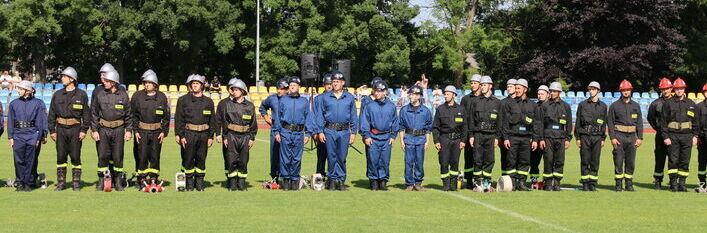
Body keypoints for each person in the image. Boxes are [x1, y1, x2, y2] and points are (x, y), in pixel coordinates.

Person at [313, 71, 358, 190]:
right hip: (329, 130)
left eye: (337, 82)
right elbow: (320, 115)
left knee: (342, 157)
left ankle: (341, 180)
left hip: (344, 131)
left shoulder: (349, 97)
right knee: (331, 156)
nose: (335, 84)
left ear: (343, 83)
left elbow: (353, 115)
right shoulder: (325, 97)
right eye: (333, 82)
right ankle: (332, 180)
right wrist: (320, 131)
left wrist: (353, 132)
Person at [48, 67, 90, 191]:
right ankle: (61, 183)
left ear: (72, 79)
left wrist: (84, 130)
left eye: (64, 76)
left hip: (75, 129)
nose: (62, 78)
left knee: (75, 156)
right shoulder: (57, 94)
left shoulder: (81, 95)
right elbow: (51, 114)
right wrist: (52, 130)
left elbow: (86, 114)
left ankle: (76, 183)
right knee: (61, 156)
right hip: (60, 129)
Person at [91, 71, 133, 191]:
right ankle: (101, 181)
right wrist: (94, 130)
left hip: (119, 129)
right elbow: (94, 114)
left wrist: (128, 130)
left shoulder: (123, 95)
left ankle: (118, 181)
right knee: (103, 155)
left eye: (107, 81)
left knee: (118, 156)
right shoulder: (100, 95)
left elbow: (129, 115)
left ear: (114, 82)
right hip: (103, 129)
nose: (104, 82)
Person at [175, 74, 216, 191]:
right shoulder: (183, 100)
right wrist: (180, 135)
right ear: (189, 86)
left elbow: (212, 120)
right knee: (188, 159)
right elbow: (179, 119)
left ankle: (199, 184)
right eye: (192, 84)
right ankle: (188, 185)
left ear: (202, 86)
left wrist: (210, 136)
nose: (194, 85)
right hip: (188, 133)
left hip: (204, 134)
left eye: (197, 83)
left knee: (201, 159)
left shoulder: (208, 102)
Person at [215, 78, 257, 191]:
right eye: (233, 89)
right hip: (231, 135)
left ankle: (241, 184)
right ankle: (232, 184)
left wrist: (252, 138)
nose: (234, 91)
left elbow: (253, 124)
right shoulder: (227, 105)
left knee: (243, 161)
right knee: (232, 160)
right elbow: (224, 121)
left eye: (237, 89)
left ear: (243, 91)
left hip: (245, 136)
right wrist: (224, 137)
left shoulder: (250, 106)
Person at [130, 69, 170, 189]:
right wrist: (135, 131)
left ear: (155, 84)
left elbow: (166, 116)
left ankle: (153, 179)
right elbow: (133, 116)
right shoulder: (137, 96)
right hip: (142, 131)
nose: (147, 84)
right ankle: (141, 180)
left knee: (155, 156)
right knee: (141, 156)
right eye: (145, 82)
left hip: (157, 132)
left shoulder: (162, 97)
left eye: (149, 82)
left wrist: (164, 131)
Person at [501, 79, 542, 191]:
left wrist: (535, 140)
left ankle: (522, 183)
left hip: (526, 138)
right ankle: (512, 183)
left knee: (525, 161)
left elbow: (536, 124)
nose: (517, 90)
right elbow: (505, 123)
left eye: (519, 88)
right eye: (516, 88)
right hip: (513, 137)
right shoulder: (509, 104)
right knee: (511, 161)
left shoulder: (533, 106)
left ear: (525, 89)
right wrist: (505, 138)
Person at [273, 76, 312, 191]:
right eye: (290, 85)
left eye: (294, 85)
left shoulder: (304, 101)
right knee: (285, 157)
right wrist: (276, 131)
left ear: (299, 87)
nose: (292, 87)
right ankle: (285, 180)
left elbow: (308, 118)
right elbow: (278, 117)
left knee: (296, 158)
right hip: (285, 131)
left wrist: (308, 133)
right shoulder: (283, 100)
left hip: (299, 133)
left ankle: (295, 180)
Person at [659, 78, 698, 192]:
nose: (679, 91)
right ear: (674, 90)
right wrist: (665, 137)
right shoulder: (668, 103)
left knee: (685, 160)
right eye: (677, 89)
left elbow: (696, 122)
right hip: (673, 136)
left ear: (684, 89)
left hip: (687, 136)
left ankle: (682, 184)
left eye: (681, 88)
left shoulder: (691, 104)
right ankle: (673, 184)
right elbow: (663, 122)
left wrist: (695, 136)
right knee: (673, 160)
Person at [9, 80, 48, 191]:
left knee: (31, 159)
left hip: (32, 134)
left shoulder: (38, 103)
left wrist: (41, 136)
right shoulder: (13, 104)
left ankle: (29, 183)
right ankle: (20, 182)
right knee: (19, 160)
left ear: (28, 91)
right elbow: (11, 122)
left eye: (21, 89)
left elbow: (41, 120)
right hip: (18, 134)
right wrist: (10, 137)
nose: (18, 91)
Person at [360, 80, 398, 191]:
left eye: (379, 91)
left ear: (385, 92)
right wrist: (366, 135)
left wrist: (393, 136)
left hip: (386, 137)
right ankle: (374, 181)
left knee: (385, 161)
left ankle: (383, 181)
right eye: (375, 91)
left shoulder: (391, 106)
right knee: (373, 160)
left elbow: (395, 122)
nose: (377, 93)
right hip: (373, 137)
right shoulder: (369, 106)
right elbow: (365, 121)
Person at [607, 79, 643, 192]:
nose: (626, 92)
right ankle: (618, 185)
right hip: (619, 136)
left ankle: (629, 184)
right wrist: (612, 137)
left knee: (631, 162)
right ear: (620, 91)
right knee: (618, 161)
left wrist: (640, 138)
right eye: (624, 90)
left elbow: (640, 123)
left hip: (632, 137)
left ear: (631, 91)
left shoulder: (636, 106)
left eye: (628, 90)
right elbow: (610, 123)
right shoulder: (614, 106)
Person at [468, 76, 501, 189]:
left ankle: (487, 182)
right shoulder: (475, 101)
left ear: (490, 86)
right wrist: (471, 135)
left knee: (489, 159)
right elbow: (471, 119)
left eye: (484, 85)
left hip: (491, 135)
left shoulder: (497, 102)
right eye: (481, 85)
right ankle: (477, 183)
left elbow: (499, 122)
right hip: (478, 134)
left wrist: (497, 137)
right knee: (477, 159)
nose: (482, 87)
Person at [539, 82, 572, 191]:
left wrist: (568, 139)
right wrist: (541, 139)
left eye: (554, 91)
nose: (552, 93)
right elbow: (540, 124)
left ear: (559, 92)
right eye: (551, 91)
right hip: (548, 137)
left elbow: (569, 124)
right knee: (548, 160)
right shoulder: (545, 106)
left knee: (559, 160)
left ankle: (557, 183)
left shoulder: (566, 106)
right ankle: (548, 183)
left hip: (561, 138)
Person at [433, 85, 467, 191]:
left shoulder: (461, 109)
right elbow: (435, 127)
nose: (446, 96)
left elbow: (465, 127)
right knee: (443, 162)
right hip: (444, 139)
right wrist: (436, 141)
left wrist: (463, 141)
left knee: (454, 163)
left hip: (457, 140)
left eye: (448, 94)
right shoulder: (440, 109)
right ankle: (445, 183)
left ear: (453, 95)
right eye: (445, 94)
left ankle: (453, 183)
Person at [574, 82, 607, 191]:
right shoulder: (582, 104)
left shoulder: (603, 106)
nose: (591, 91)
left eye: (593, 89)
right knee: (585, 160)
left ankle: (592, 184)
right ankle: (585, 183)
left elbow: (604, 123)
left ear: (598, 91)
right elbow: (578, 122)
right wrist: (577, 138)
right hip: (585, 136)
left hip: (597, 136)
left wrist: (603, 138)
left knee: (595, 161)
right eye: (590, 89)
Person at [399, 85, 432, 191]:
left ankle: (418, 183)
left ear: (419, 96)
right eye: (410, 94)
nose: (410, 96)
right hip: (408, 138)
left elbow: (428, 128)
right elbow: (401, 127)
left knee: (419, 162)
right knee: (408, 162)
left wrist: (427, 142)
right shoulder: (404, 110)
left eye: (413, 94)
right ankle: (409, 183)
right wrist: (401, 141)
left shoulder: (426, 111)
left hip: (421, 139)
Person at [259, 78, 289, 182]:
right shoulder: (272, 99)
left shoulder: (291, 100)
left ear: (287, 89)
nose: (279, 91)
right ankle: (274, 176)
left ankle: (286, 176)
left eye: (282, 89)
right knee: (274, 154)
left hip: (288, 131)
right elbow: (262, 107)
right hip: (275, 130)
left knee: (287, 154)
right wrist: (266, 117)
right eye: (278, 88)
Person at [647, 78, 673, 189]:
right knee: (660, 158)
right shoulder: (655, 103)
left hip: (674, 135)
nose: (665, 91)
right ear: (661, 90)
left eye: (667, 88)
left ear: (671, 88)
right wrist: (659, 128)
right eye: (663, 89)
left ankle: (673, 181)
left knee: (674, 159)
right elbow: (650, 118)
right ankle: (658, 180)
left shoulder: (676, 102)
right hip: (660, 136)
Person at [461, 74, 481, 188]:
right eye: (471, 83)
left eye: (475, 83)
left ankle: (479, 180)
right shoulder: (465, 99)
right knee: (468, 157)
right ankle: (468, 179)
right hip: (468, 132)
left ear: (480, 84)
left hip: (480, 132)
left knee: (479, 157)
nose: (473, 85)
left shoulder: (483, 99)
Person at [312, 73, 333, 178]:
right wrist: (315, 132)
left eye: (330, 84)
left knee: (333, 155)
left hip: (333, 130)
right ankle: (319, 175)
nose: (329, 86)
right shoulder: (318, 99)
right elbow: (314, 115)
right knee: (321, 155)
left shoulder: (337, 98)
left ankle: (332, 176)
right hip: (321, 130)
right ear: (323, 85)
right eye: (326, 84)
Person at [529, 85, 549, 185]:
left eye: (542, 94)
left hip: (548, 138)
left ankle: (547, 181)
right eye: (538, 94)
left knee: (548, 161)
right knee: (534, 161)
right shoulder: (534, 106)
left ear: (547, 94)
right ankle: (534, 180)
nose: (539, 96)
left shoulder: (551, 107)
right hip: (536, 138)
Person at [499, 79, 517, 177]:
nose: (509, 88)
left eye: (511, 86)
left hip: (517, 135)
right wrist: (500, 137)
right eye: (508, 86)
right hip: (504, 136)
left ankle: (516, 180)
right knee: (505, 158)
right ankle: (505, 179)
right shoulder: (502, 103)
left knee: (517, 159)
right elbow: (500, 121)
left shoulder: (520, 102)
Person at [697, 83, 707, 190]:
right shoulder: (699, 107)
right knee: (702, 162)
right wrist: (697, 136)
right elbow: (696, 123)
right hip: (703, 139)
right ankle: (702, 182)